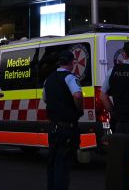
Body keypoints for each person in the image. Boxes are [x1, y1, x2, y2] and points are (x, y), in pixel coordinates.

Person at [103, 42, 129, 190]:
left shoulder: (113, 71)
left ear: (124, 54)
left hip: (119, 121)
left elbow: (103, 96)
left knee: (119, 161)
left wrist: (113, 112)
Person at [43, 50, 83, 190]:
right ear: (72, 63)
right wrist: (79, 109)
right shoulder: (70, 78)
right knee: (63, 164)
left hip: (53, 127)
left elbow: (45, 98)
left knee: (52, 162)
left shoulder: (49, 79)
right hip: (67, 128)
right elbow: (77, 95)